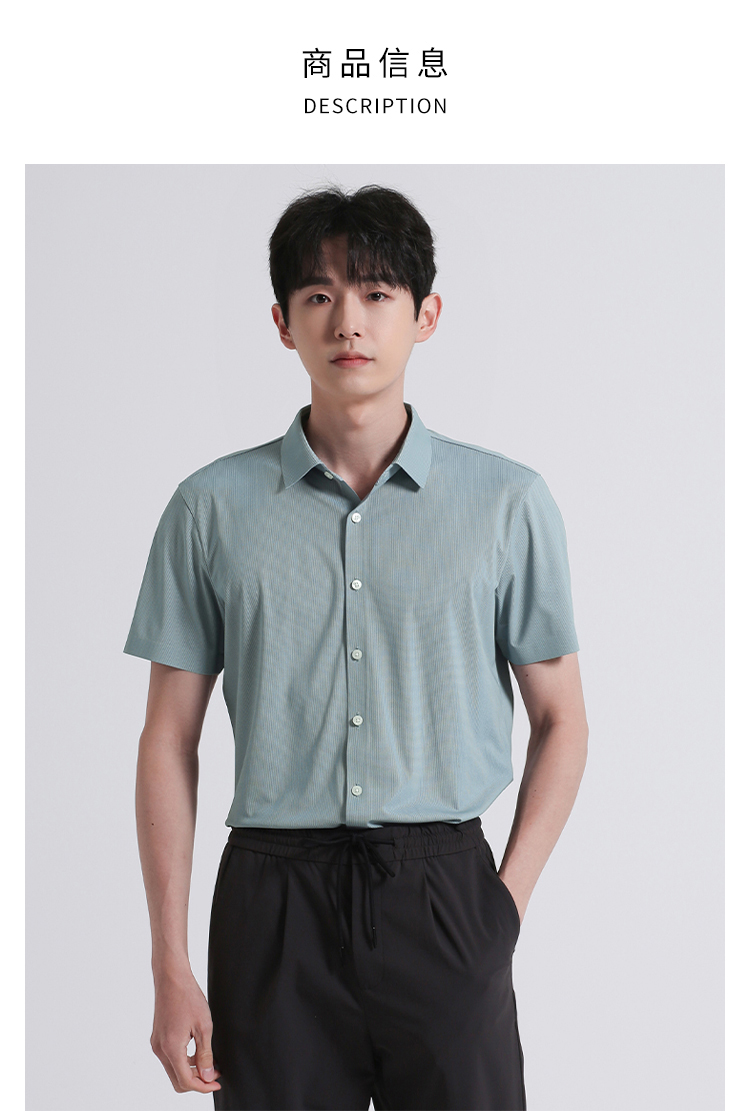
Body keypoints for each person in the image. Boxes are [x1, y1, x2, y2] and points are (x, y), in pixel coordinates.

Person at [124, 184, 589, 1111]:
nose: (348, 320)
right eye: (319, 295)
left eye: (377, 293)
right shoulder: (208, 509)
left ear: (426, 315)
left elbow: (562, 719)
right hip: (273, 907)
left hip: (445, 898)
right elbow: (168, 738)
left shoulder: (508, 504)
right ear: (282, 322)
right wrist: (170, 961)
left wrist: (501, 906)